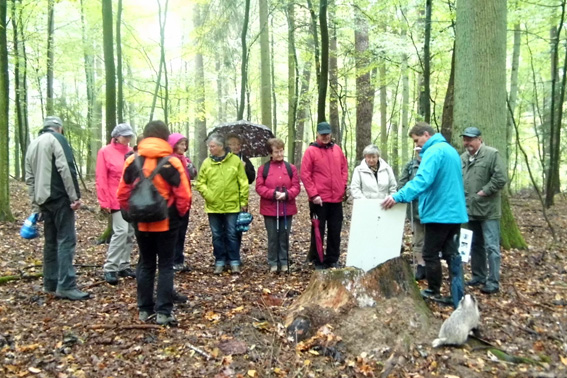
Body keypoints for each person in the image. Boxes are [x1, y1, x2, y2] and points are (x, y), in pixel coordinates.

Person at [382, 122, 468, 301]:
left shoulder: (434, 151)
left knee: (429, 253)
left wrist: (399, 196)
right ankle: (457, 295)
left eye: (417, 140)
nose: (417, 145)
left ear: (426, 135)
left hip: (440, 212)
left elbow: (422, 180)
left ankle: (434, 291)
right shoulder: (450, 150)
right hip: (454, 211)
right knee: (451, 253)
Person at [117, 120, 191, 326]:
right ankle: (164, 311)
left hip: (141, 223)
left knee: (146, 263)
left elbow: (122, 193)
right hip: (167, 222)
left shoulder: (132, 161)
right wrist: (178, 215)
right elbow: (184, 196)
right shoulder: (172, 162)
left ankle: (144, 309)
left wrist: (132, 214)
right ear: (165, 138)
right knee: (166, 265)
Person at [25, 116, 90, 300]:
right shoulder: (57, 139)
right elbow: (66, 168)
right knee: (66, 241)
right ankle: (66, 285)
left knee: (51, 242)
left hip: (43, 200)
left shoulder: (33, 144)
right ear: (59, 128)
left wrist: (36, 206)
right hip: (60, 198)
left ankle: (50, 282)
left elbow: (30, 179)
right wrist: (75, 197)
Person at [460, 127, 507, 294]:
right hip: (470, 209)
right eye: (465, 139)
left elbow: (501, 178)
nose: (467, 143)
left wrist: (484, 191)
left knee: (492, 247)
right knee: (475, 244)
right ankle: (478, 276)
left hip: (488, 210)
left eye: (470, 139)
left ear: (480, 139)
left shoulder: (491, 154)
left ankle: (493, 281)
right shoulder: (463, 158)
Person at [195, 133, 249, 274]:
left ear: (220, 146)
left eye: (212, 146)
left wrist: (244, 201)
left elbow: (243, 182)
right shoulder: (207, 162)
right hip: (213, 206)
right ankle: (219, 260)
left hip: (232, 205)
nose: (210, 149)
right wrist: (209, 195)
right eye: (209, 146)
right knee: (217, 234)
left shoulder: (235, 161)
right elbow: (200, 183)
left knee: (232, 233)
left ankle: (234, 261)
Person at [300, 121, 348, 269]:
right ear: (317, 135)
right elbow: (305, 174)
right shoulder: (310, 151)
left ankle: (332, 259)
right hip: (318, 200)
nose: (326, 137)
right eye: (323, 134)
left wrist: (342, 186)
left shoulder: (337, 150)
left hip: (336, 199)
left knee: (335, 230)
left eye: (328, 134)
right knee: (318, 231)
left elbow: (344, 169)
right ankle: (318, 260)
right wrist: (314, 195)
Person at [96, 123, 136, 285]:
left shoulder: (131, 152)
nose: (127, 138)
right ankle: (110, 267)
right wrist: (103, 200)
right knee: (120, 231)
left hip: (132, 198)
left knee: (130, 232)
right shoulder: (105, 152)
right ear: (116, 136)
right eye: (124, 136)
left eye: (129, 136)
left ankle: (123, 264)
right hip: (114, 197)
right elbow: (101, 178)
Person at [255, 138, 301, 273]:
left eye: (281, 151)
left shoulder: (290, 168)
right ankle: (273, 262)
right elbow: (259, 187)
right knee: (273, 236)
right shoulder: (263, 169)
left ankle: (284, 261)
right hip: (270, 208)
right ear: (270, 153)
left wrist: (287, 194)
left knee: (284, 235)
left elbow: (296, 186)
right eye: (276, 152)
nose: (280, 154)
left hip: (287, 207)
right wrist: (273, 193)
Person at [168, 132, 198, 273]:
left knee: (181, 233)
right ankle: (173, 261)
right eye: (181, 143)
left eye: (185, 144)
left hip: (185, 202)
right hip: (173, 204)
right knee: (173, 233)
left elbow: (192, 175)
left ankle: (178, 259)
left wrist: (189, 166)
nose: (183, 146)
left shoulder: (184, 160)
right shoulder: (170, 161)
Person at [398, 147, 426, 280]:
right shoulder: (410, 166)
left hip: (432, 209)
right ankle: (421, 265)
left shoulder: (433, 163)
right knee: (418, 239)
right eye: (417, 150)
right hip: (415, 210)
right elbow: (401, 184)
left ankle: (431, 265)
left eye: (422, 150)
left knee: (432, 239)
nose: (420, 153)